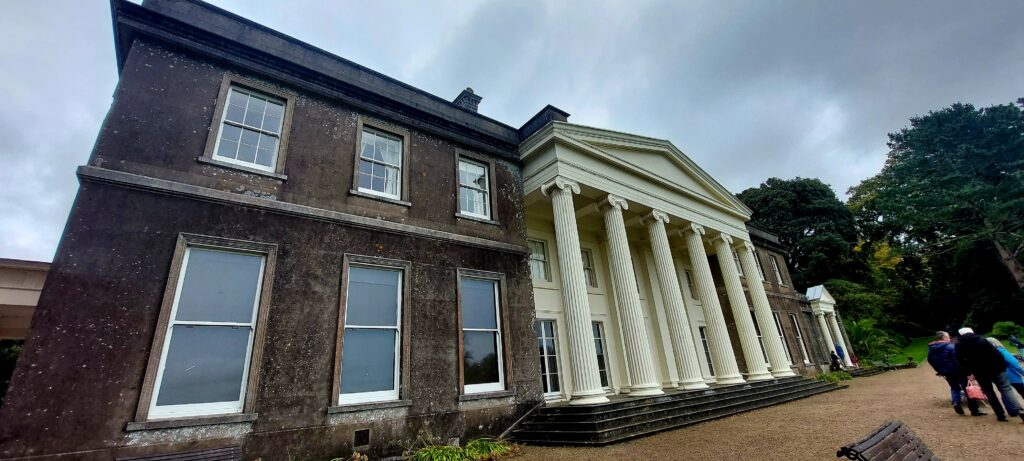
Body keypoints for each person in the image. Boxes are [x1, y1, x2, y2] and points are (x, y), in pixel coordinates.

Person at [954, 327, 1024, 422]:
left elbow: (961, 361)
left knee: (989, 392)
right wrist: (1002, 366)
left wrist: (969, 372)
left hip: (980, 372)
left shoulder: (959, 346)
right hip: (997, 369)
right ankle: (1019, 409)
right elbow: (997, 354)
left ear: (961, 335)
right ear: (972, 332)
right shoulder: (982, 341)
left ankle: (1000, 414)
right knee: (1006, 389)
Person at [927, 331, 982, 415]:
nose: (950, 338)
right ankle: (974, 410)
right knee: (967, 388)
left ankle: (956, 402)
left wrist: (939, 370)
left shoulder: (932, 349)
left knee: (954, 387)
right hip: (959, 371)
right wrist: (967, 371)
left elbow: (930, 361)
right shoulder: (950, 347)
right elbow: (958, 360)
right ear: (944, 338)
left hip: (947, 373)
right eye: (948, 337)